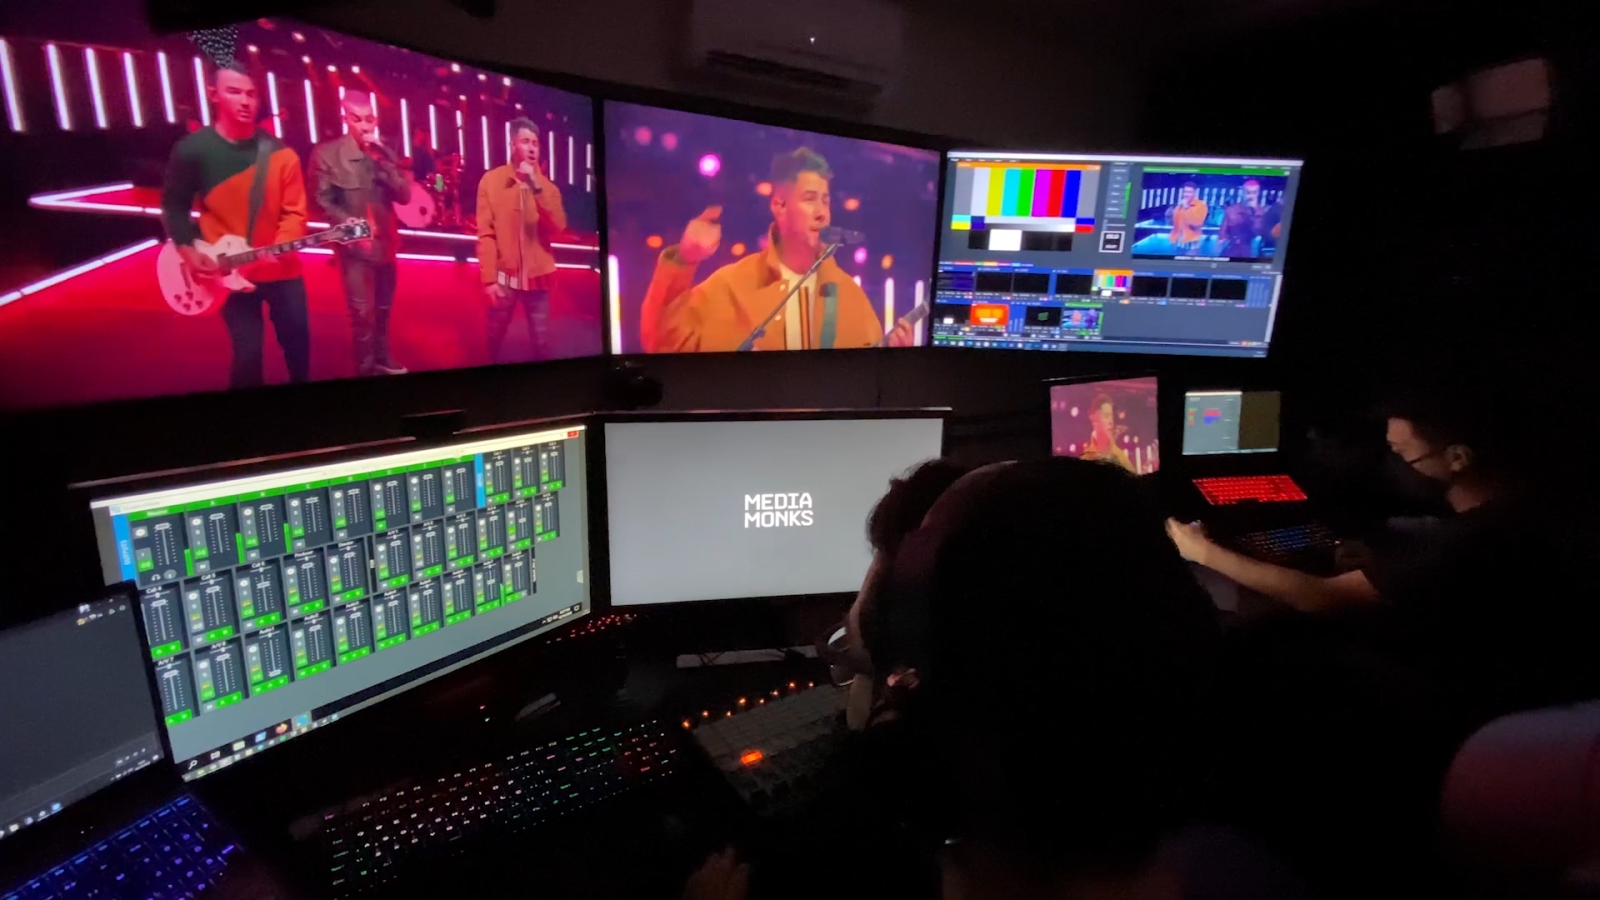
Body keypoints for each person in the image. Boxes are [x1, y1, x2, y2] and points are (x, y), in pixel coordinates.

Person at [1168, 385, 1599, 724]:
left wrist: (1202, 551)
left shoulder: (1470, 542)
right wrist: (1377, 567)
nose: (1392, 464)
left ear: (1457, 459)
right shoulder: (1530, 508)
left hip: (1462, 700)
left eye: (1401, 453)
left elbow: (1320, 597)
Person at [639, 147, 915, 352]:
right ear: (779, 206)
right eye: (810, 199)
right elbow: (661, 343)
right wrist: (685, 259)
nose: (822, 213)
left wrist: (892, 362)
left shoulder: (852, 297)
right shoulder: (732, 285)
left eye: (826, 201)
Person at [160, 62, 309, 389]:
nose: (245, 101)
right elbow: (174, 206)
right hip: (226, 271)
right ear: (214, 94)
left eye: (251, 94)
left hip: (283, 272)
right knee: (247, 357)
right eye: (235, 92)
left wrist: (282, 246)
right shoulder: (192, 150)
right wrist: (187, 250)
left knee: (299, 351)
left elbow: (295, 214)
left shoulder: (283, 155)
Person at [312, 94, 412, 377]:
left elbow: (405, 196)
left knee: (383, 309)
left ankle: (382, 356)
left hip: (386, 245)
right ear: (345, 118)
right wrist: (347, 222)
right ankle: (365, 368)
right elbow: (321, 201)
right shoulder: (327, 154)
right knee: (361, 313)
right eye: (357, 119)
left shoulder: (384, 153)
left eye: (369, 118)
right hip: (354, 248)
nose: (365, 125)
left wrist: (387, 162)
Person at [476, 116, 566, 362]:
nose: (531, 148)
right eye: (525, 141)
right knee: (494, 334)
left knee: (542, 341)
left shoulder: (548, 188)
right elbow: (486, 233)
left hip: (539, 276)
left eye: (535, 143)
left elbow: (559, 226)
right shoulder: (491, 182)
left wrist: (535, 185)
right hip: (506, 274)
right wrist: (489, 279)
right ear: (512, 144)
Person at [1080, 393, 1135, 471]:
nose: (1111, 421)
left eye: (1111, 416)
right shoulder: (1087, 458)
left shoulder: (1120, 457)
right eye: (1106, 416)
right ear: (1095, 420)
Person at [1216, 178, 1267, 256]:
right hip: (1230, 249)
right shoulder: (1231, 210)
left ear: (1258, 193)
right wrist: (1220, 243)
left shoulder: (1261, 212)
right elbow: (1223, 231)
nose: (1251, 196)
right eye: (1248, 193)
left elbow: (1257, 231)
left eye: (1254, 193)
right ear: (1242, 193)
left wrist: (1254, 212)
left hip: (1249, 249)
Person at [1166, 181, 1208, 251]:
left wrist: (1187, 208)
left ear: (1194, 193)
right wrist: (1169, 216)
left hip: (1192, 240)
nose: (1186, 194)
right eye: (1185, 192)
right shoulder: (1179, 206)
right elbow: (1174, 223)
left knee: (1190, 261)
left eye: (1189, 192)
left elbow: (1196, 223)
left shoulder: (1201, 205)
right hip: (1179, 240)